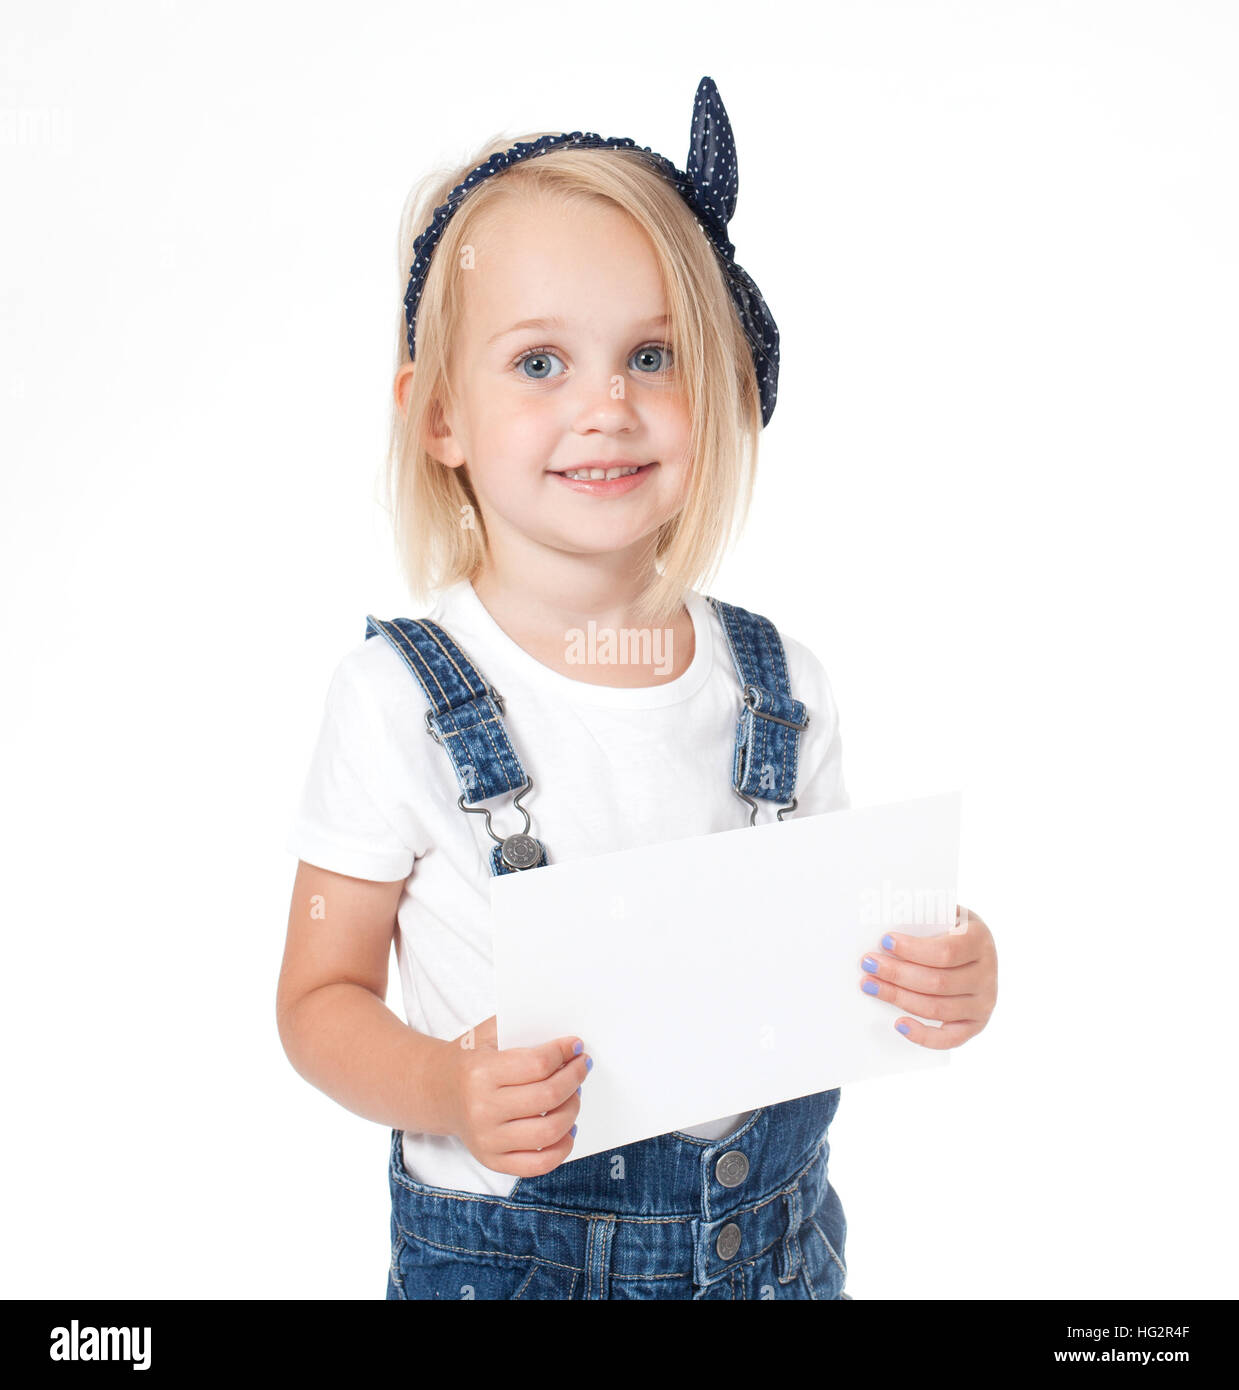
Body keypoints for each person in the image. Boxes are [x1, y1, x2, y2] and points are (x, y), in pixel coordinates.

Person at [277, 76, 999, 1301]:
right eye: (540, 362)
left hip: (767, 1252)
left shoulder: (782, 691)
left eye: (651, 355)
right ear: (440, 412)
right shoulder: (393, 699)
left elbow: (847, 943)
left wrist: (949, 969)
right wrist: (446, 1086)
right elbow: (318, 998)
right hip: (514, 1260)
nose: (605, 406)